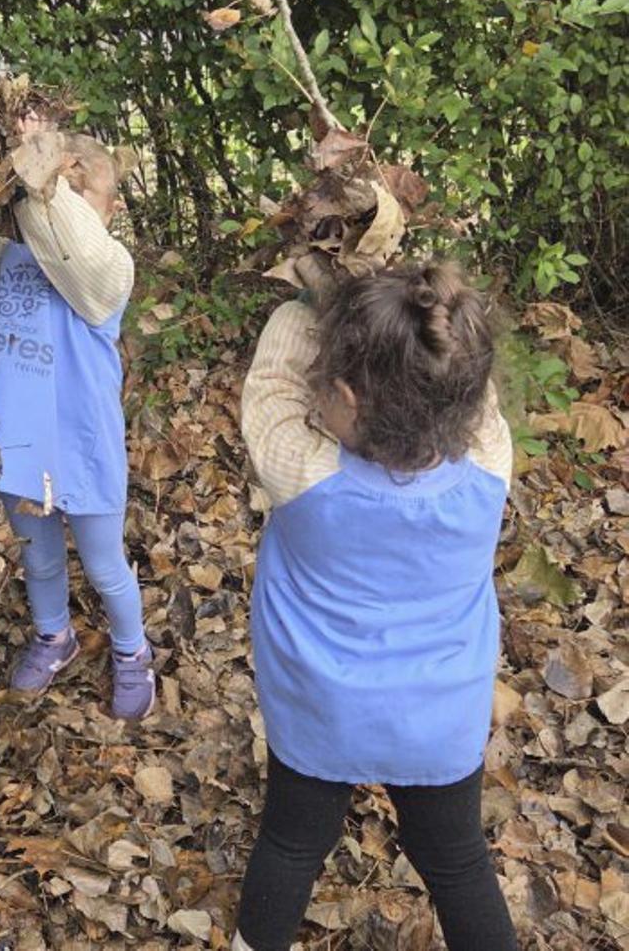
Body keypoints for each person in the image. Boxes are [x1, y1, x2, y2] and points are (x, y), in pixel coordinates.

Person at [231, 262, 518, 951]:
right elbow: (466, 384)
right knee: (458, 864)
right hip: (439, 721)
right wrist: (420, 320)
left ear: (345, 399)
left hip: (320, 715)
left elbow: (270, 380)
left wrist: (318, 287)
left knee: (291, 845)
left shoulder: (302, 473)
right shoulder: (489, 464)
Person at [0, 131, 154, 719]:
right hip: (19, 439)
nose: (57, 209)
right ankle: (54, 635)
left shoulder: (110, 269)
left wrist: (44, 177)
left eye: (78, 195)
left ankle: (132, 650)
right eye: (48, 190)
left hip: (83, 442)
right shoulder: (8, 261)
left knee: (103, 564)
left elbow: (76, 253)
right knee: (39, 558)